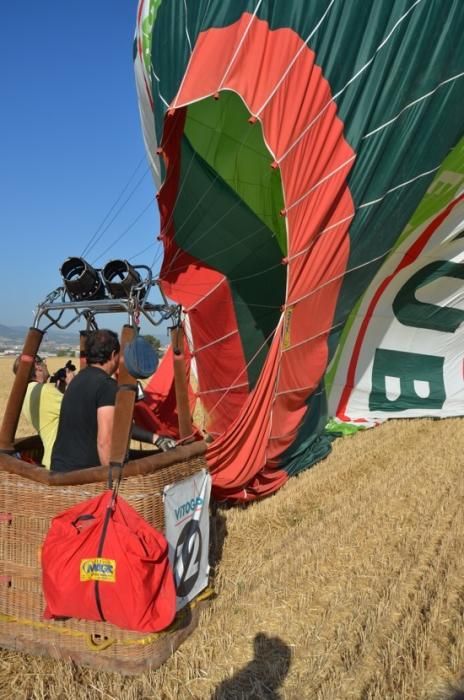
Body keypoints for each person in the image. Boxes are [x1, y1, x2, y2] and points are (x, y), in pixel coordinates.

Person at [51, 329, 175, 473]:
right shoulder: (106, 386)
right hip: (84, 475)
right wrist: (111, 482)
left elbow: (115, 424)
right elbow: (105, 442)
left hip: (60, 469)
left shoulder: (76, 380)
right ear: (113, 355)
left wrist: (155, 438)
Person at [12, 355, 66, 469]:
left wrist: (61, 390)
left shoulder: (27, 392)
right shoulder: (45, 391)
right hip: (63, 460)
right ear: (37, 366)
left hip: (51, 458)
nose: (45, 364)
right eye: (43, 361)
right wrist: (72, 384)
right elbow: (81, 410)